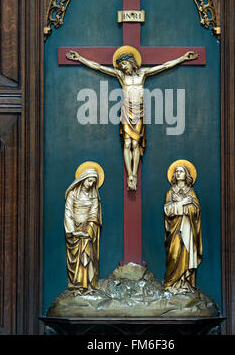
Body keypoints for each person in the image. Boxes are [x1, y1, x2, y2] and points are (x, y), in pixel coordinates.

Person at [66, 46, 198, 191]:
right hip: (126, 110)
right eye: (121, 65)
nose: (123, 67)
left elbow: (164, 66)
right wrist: (80, 59)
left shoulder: (143, 74)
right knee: (127, 143)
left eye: (125, 64)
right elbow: (98, 67)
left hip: (139, 111)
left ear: (131, 62)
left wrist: (182, 58)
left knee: (136, 144)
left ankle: (134, 173)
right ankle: (130, 174)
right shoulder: (121, 76)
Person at [64, 161, 104, 294]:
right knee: (77, 260)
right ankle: (76, 286)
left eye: (93, 182)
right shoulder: (72, 195)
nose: (91, 184)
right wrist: (73, 231)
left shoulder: (93, 196)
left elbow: (94, 214)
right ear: (83, 179)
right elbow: (68, 213)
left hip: (87, 231)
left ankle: (86, 286)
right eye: (89, 181)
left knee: (87, 255)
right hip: (74, 231)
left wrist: (87, 232)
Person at [164, 160, 203, 294]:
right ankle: (171, 284)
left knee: (186, 255)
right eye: (177, 171)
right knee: (174, 256)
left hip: (187, 229)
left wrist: (187, 207)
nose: (178, 173)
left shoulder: (191, 192)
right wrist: (182, 203)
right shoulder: (170, 192)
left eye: (181, 171)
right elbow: (167, 211)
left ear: (186, 175)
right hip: (174, 229)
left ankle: (184, 284)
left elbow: (196, 210)